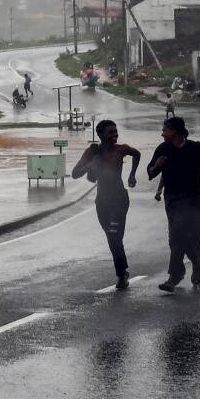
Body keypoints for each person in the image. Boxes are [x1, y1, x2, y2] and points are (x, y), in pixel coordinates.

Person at [146, 117, 200, 292]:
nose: (162, 134)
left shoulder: (195, 148)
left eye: (165, 130)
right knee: (175, 238)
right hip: (173, 201)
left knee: (195, 237)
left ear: (175, 131)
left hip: (194, 200)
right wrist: (157, 166)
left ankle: (196, 273)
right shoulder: (163, 149)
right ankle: (176, 275)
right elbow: (150, 172)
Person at [72, 119, 141, 290]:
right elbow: (74, 174)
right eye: (110, 132)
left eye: (116, 132)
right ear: (101, 135)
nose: (115, 135)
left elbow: (137, 154)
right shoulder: (93, 152)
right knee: (113, 238)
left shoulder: (121, 149)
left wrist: (132, 175)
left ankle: (121, 273)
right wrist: (90, 164)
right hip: (102, 201)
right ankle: (122, 272)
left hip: (119, 199)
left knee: (115, 235)